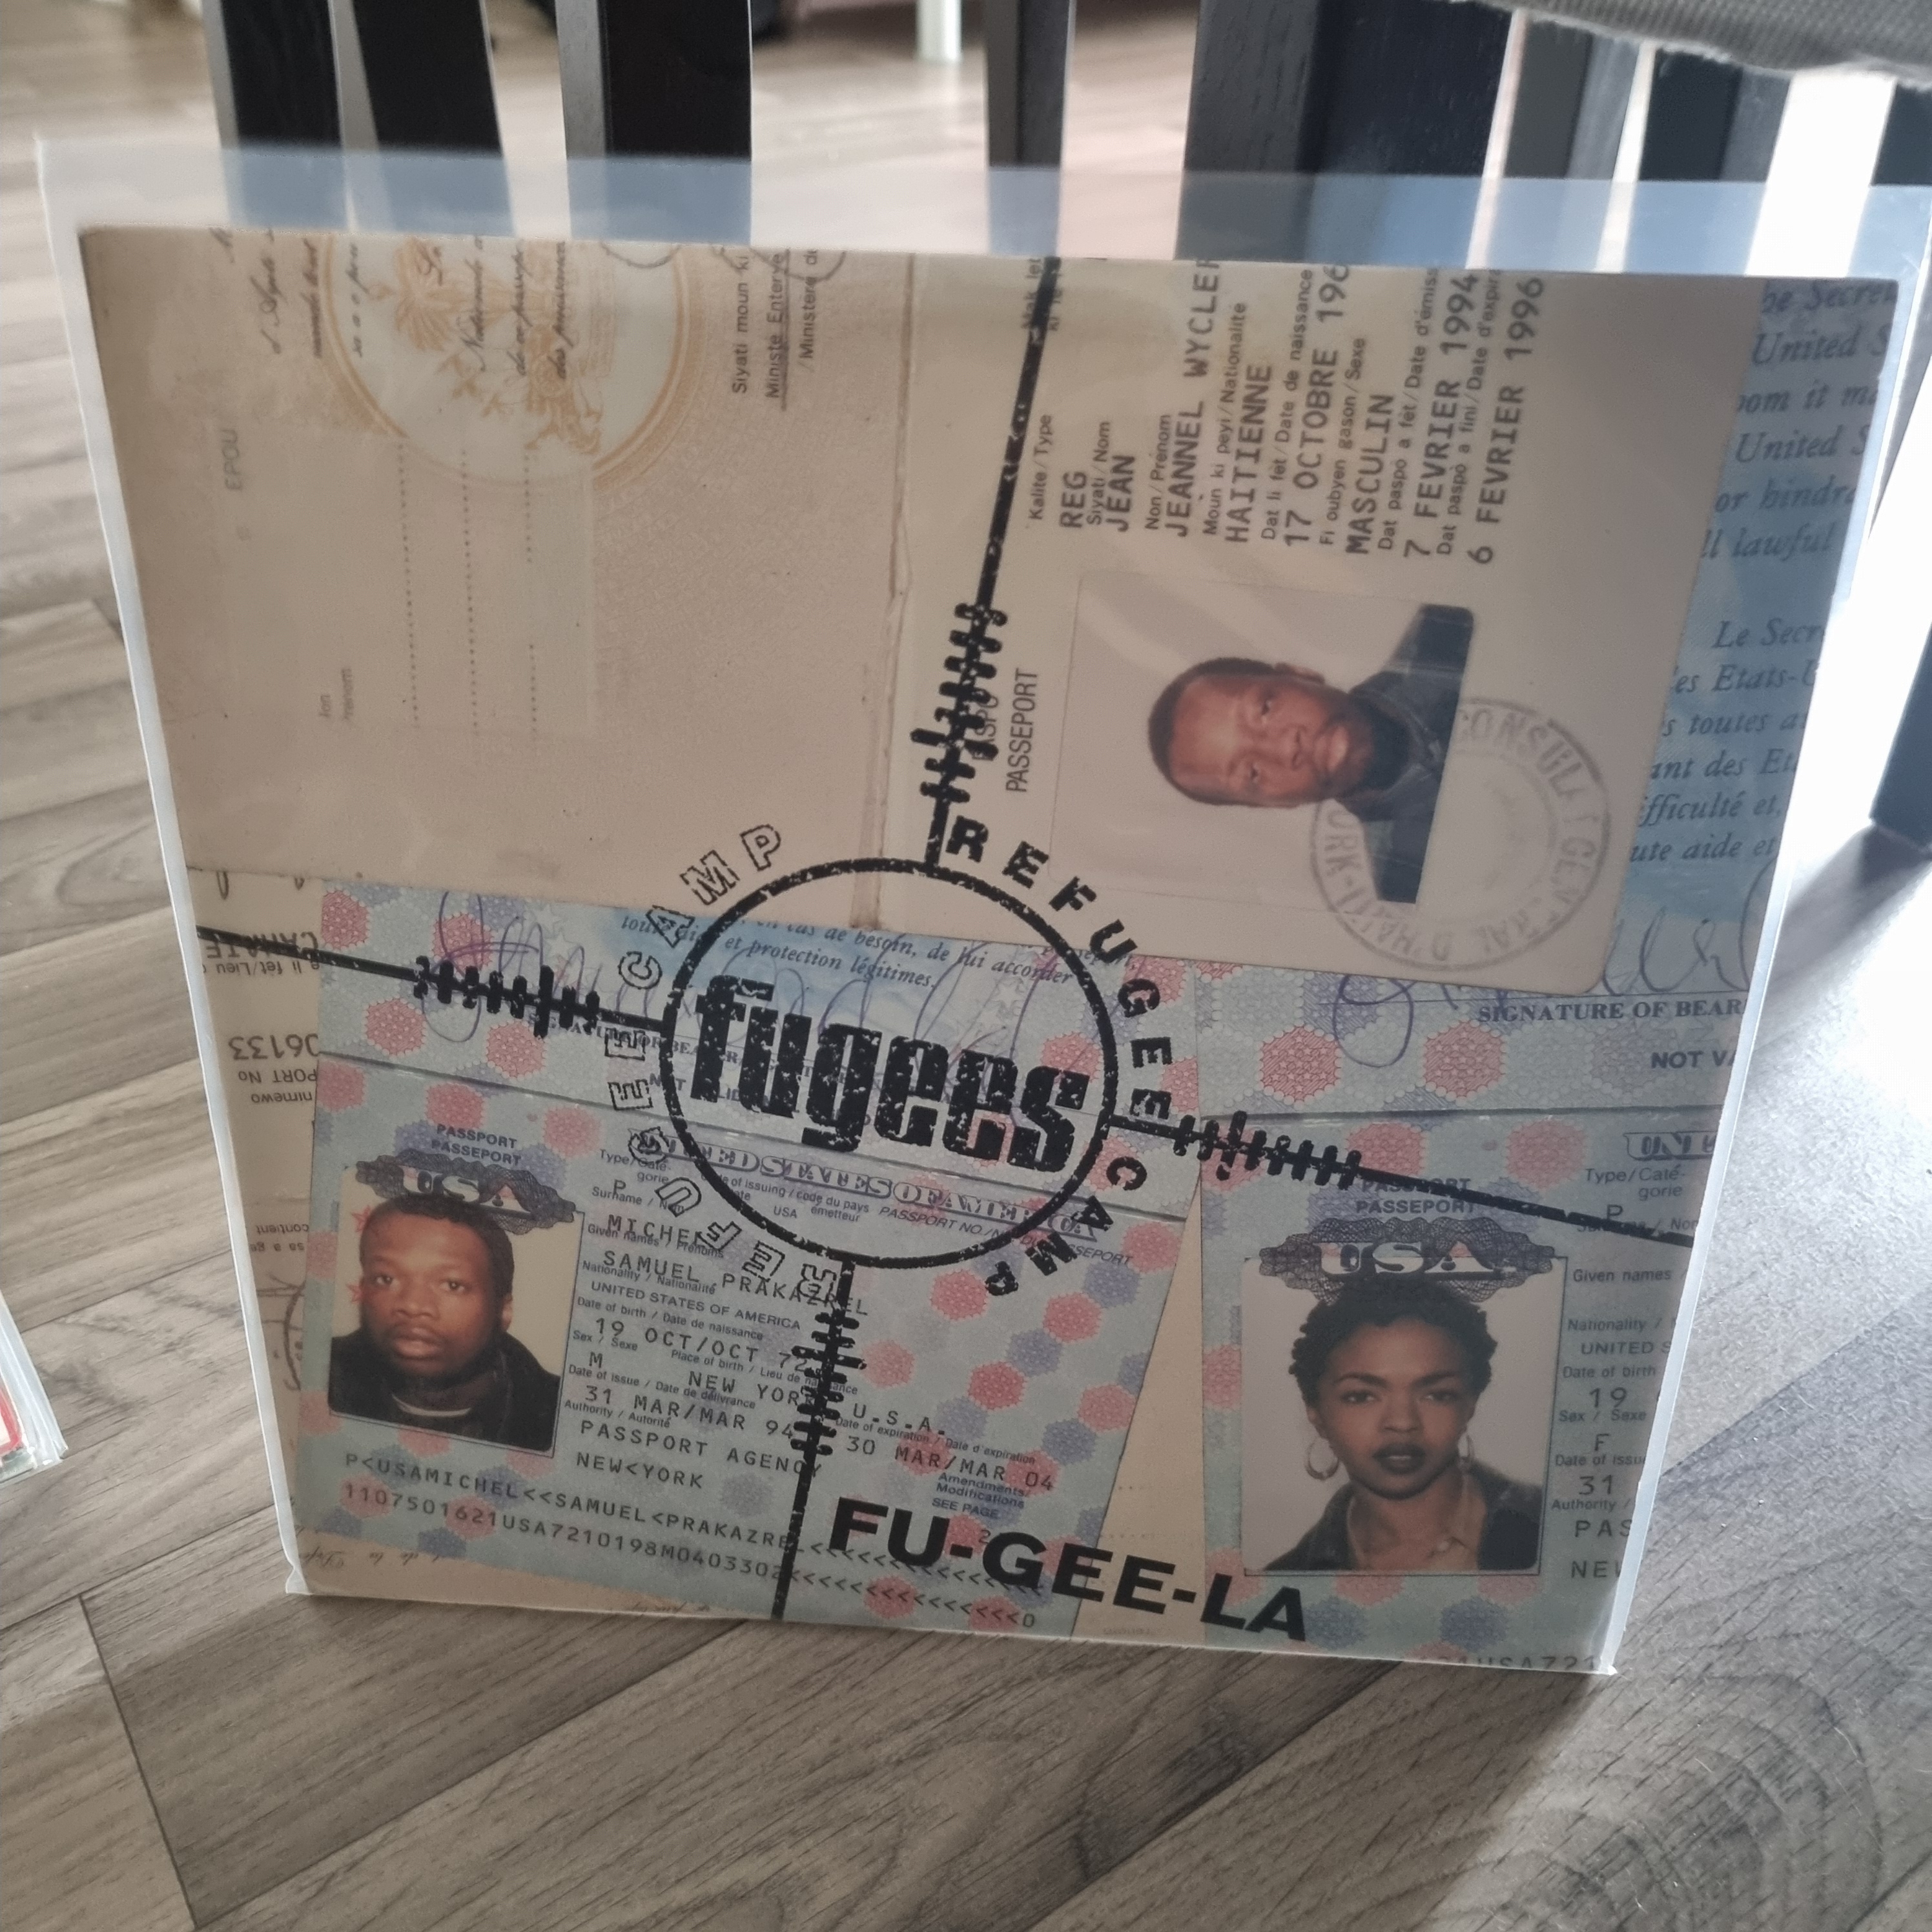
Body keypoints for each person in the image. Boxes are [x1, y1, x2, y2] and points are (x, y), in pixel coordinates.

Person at [1146, 603, 1472, 903]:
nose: (1286, 748)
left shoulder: (1450, 630)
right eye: (1252, 773)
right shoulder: (1405, 882)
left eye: (1265, 709)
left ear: (1300, 674)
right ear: (1277, 805)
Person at [1267, 1279, 1541, 1572]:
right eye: (1361, 1396)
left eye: (1437, 1395)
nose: (1403, 1422)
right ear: (1316, 1414)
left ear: (1469, 1404)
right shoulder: (1284, 1580)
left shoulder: (1548, 1527)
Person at [329, 1192, 560, 1452]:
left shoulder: (556, 1413)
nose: (413, 1305)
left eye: (452, 1285)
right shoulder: (322, 1373)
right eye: (386, 1279)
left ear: (503, 1310)